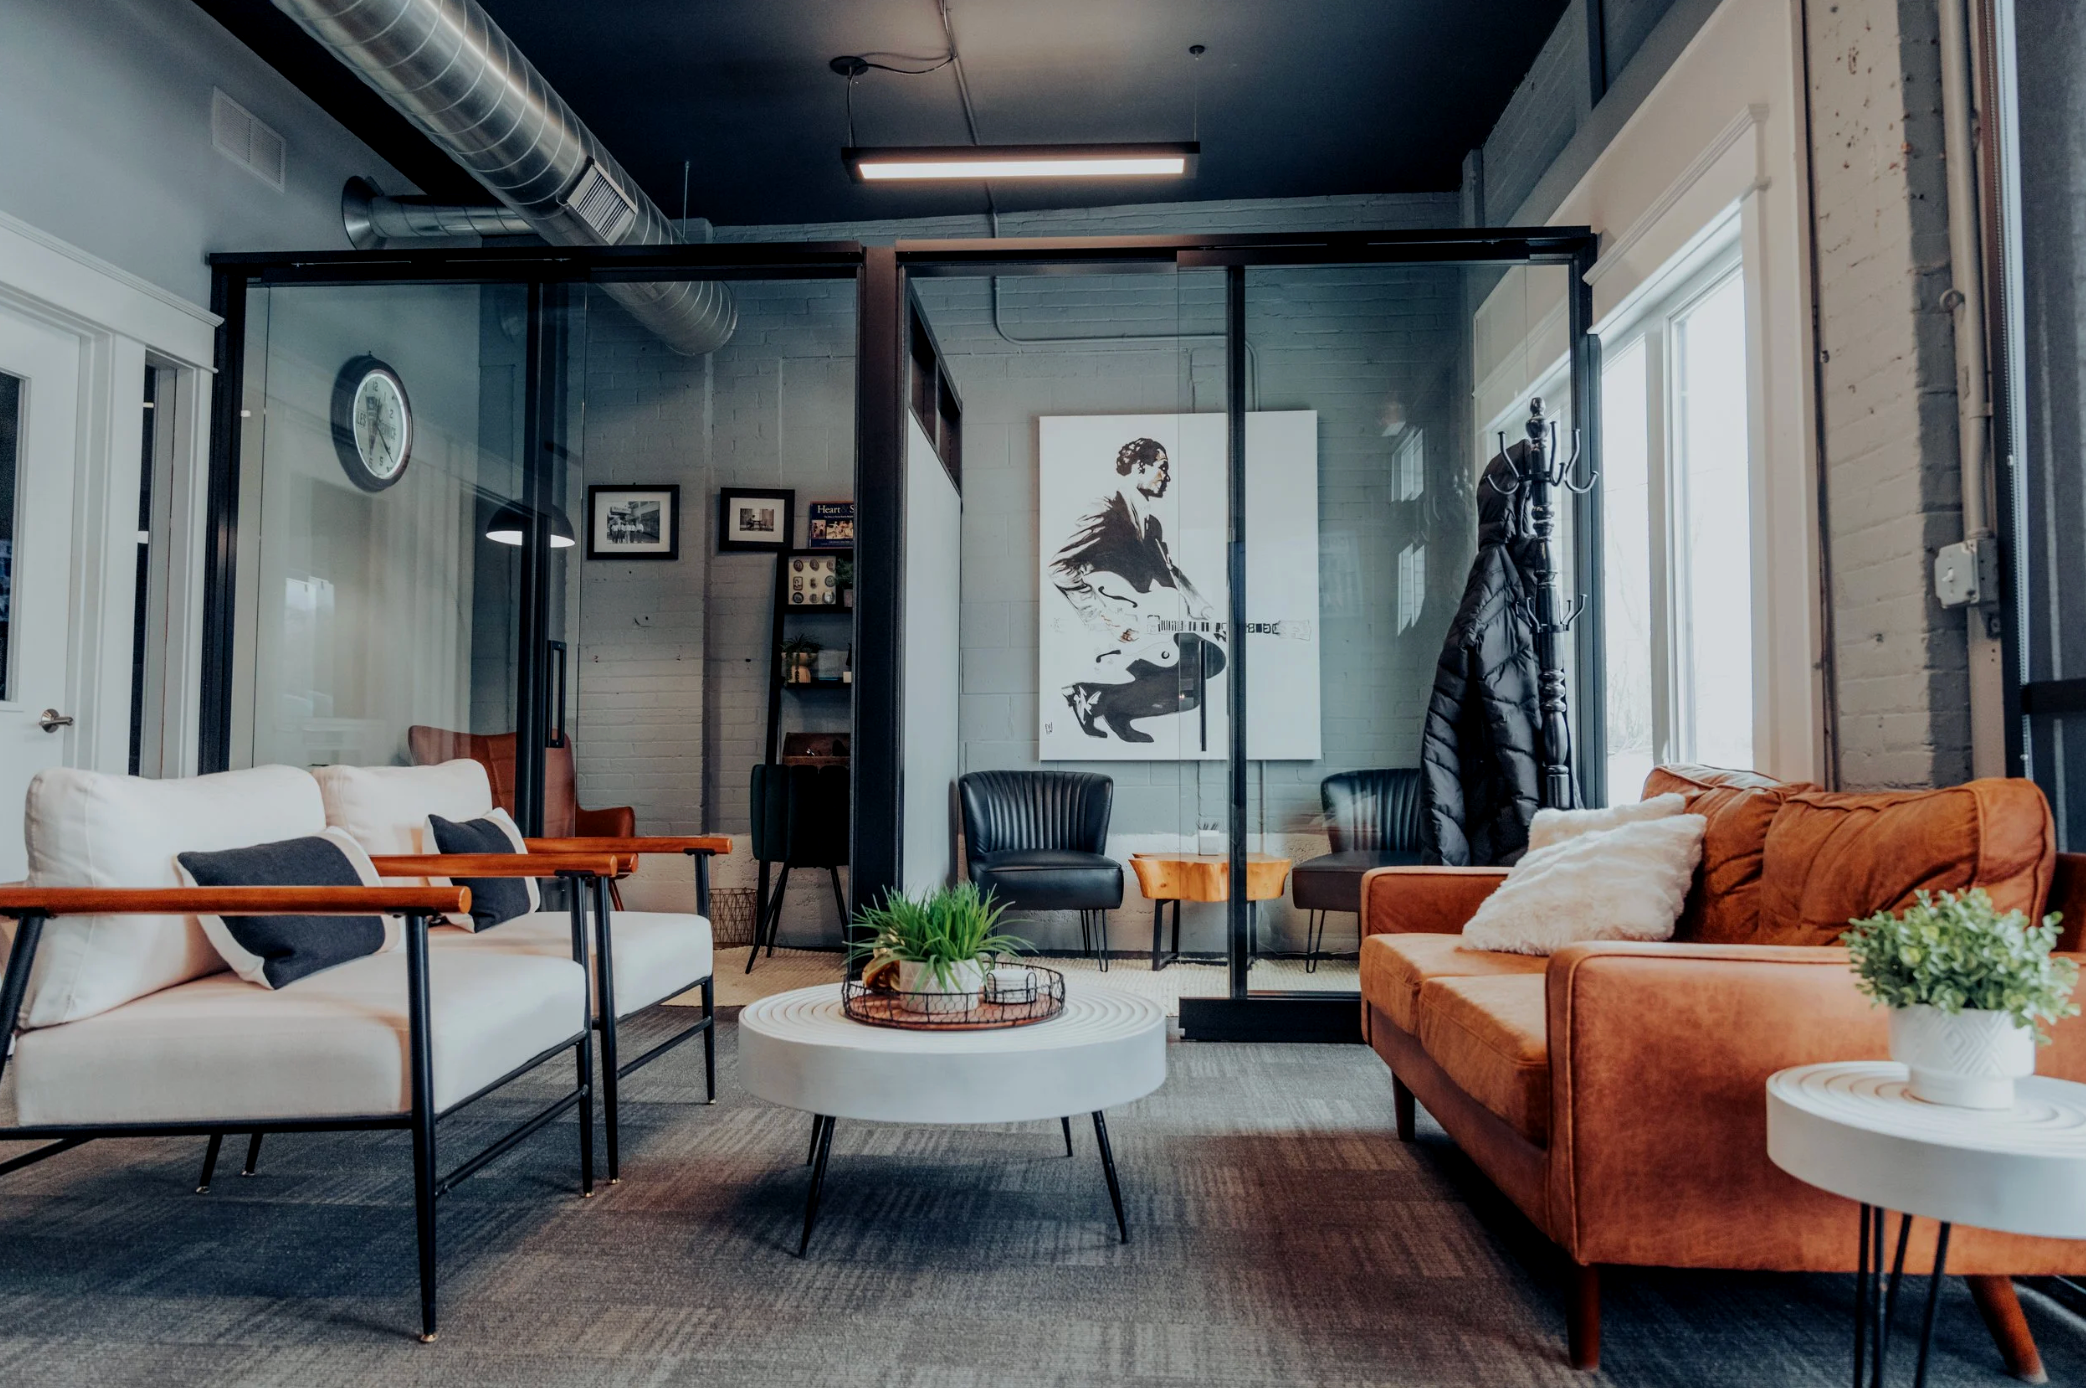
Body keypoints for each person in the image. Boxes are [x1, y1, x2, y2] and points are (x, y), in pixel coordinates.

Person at [1048, 437, 1225, 745]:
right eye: (1163, 467)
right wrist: (1101, 616)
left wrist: (1205, 611)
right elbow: (1060, 566)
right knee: (1191, 690)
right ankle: (1101, 699)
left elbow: (1169, 571)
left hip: (1145, 622)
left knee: (1206, 666)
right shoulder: (1106, 508)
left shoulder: (1151, 523)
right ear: (1140, 467)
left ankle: (1108, 704)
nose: (1167, 477)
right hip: (1115, 627)